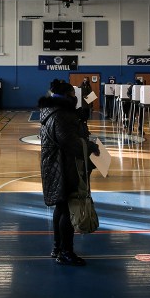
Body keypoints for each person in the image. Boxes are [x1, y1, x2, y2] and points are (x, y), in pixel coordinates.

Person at [38, 82, 99, 266]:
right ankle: (66, 252)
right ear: (66, 95)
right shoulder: (61, 115)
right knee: (66, 209)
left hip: (54, 166)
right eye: (73, 93)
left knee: (60, 207)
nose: (75, 96)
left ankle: (57, 247)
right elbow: (71, 144)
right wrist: (91, 147)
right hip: (63, 167)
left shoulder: (50, 111)